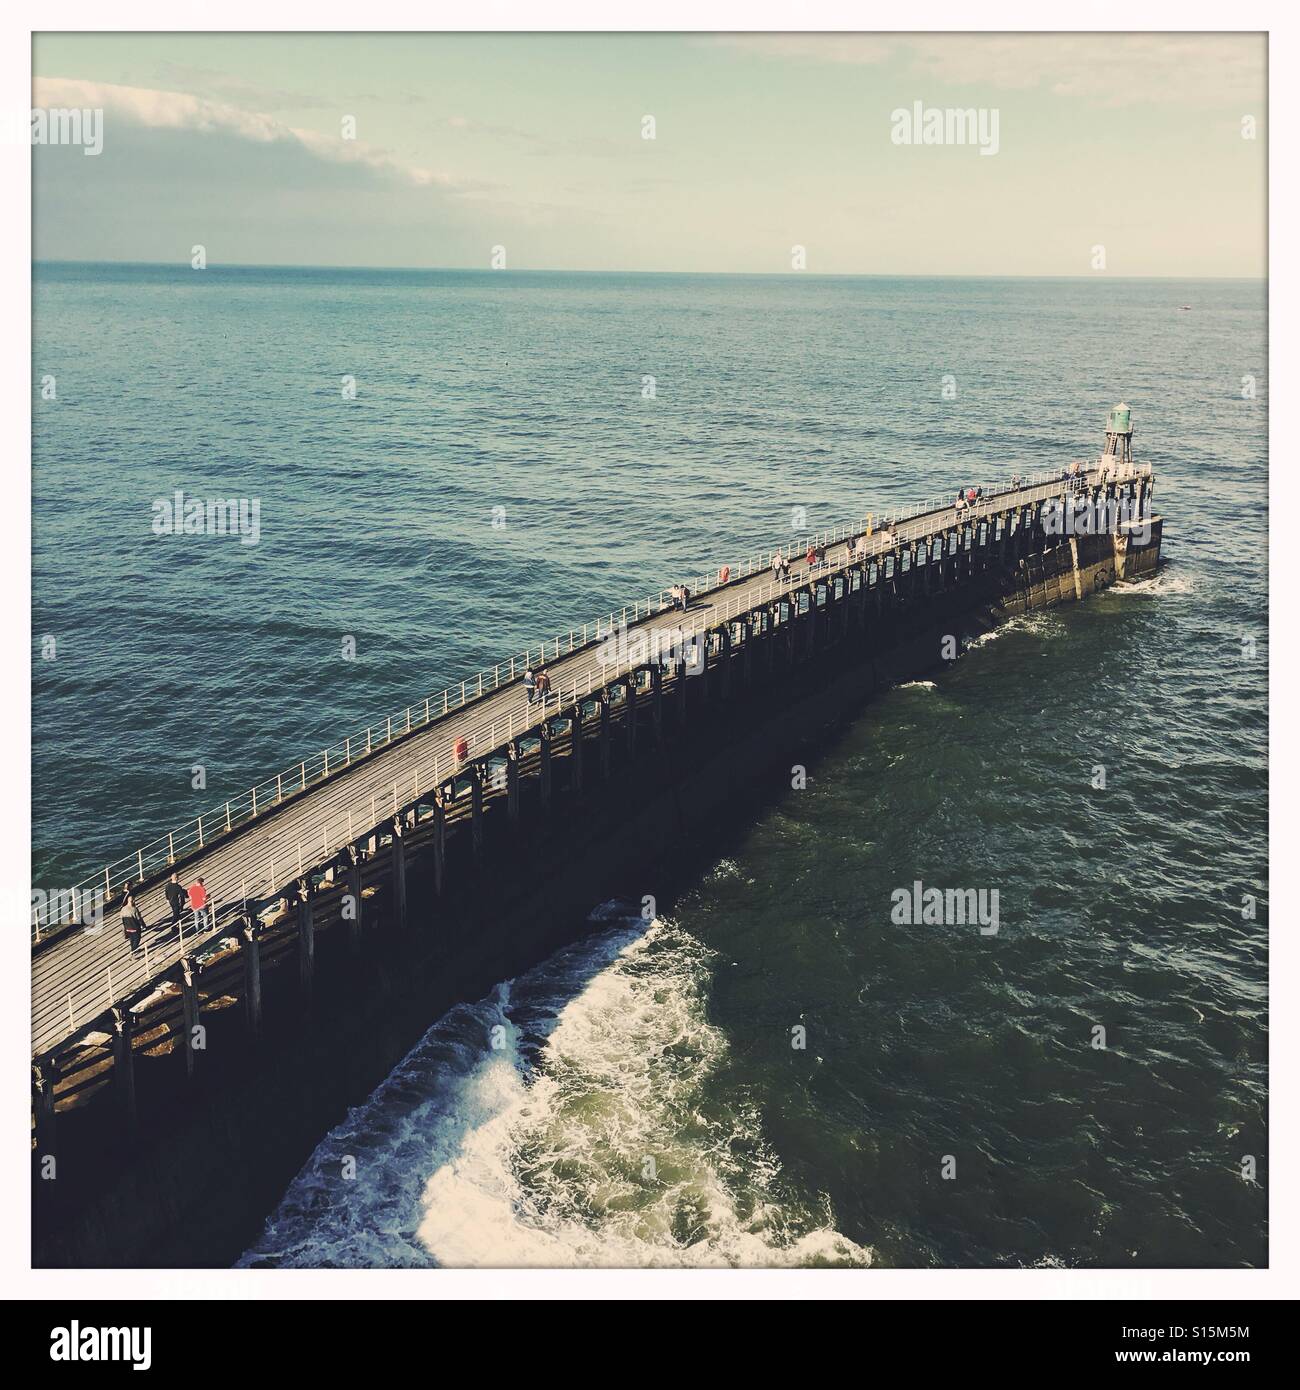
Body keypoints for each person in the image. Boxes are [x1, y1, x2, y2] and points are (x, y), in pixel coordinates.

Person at [121, 886, 143, 953]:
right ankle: (133, 950)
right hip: (135, 927)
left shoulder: (123, 909)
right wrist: (143, 925)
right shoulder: (134, 909)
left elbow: (122, 919)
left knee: (131, 938)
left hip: (127, 927)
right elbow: (139, 919)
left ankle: (133, 948)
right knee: (137, 938)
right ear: (133, 901)